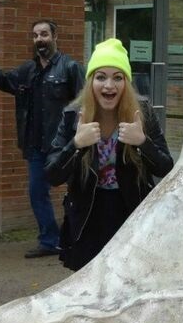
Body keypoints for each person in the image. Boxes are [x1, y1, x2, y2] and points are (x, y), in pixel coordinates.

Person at [45, 38, 174, 270]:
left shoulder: (141, 112)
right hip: (87, 215)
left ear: (126, 82)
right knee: (88, 288)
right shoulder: (73, 115)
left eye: (117, 77)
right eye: (101, 76)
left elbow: (165, 167)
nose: (109, 86)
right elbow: (53, 175)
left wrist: (142, 142)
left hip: (131, 213)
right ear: (90, 81)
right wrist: (76, 144)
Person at [0, 20, 85, 258]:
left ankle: (80, 238)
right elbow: (5, 82)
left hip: (64, 144)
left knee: (77, 191)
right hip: (36, 145)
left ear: (55, 37)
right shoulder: (28, 70)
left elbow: (83, 103)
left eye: (44, 34)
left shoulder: (70, 67)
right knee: (37, 192)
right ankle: (50, 240)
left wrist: (79, 137)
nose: (39, 39)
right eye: (35, 35)